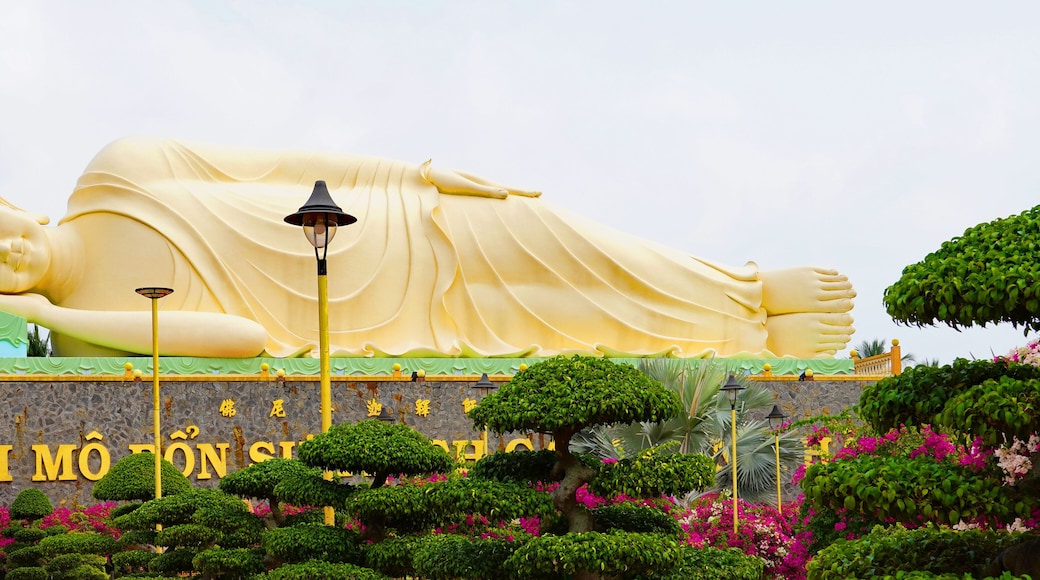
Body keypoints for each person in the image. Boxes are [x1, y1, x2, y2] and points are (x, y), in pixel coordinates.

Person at [0, 137, 855, 359]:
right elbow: (241, 341)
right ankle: (749, 336)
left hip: (395, 226)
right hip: (370, 327)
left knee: (567, 242)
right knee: (574, 328)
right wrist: (41, 313)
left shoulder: (116, 174)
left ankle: (741, 284)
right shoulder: (83, 331)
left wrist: (413, 174)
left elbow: (285, 164)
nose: (7, 251)